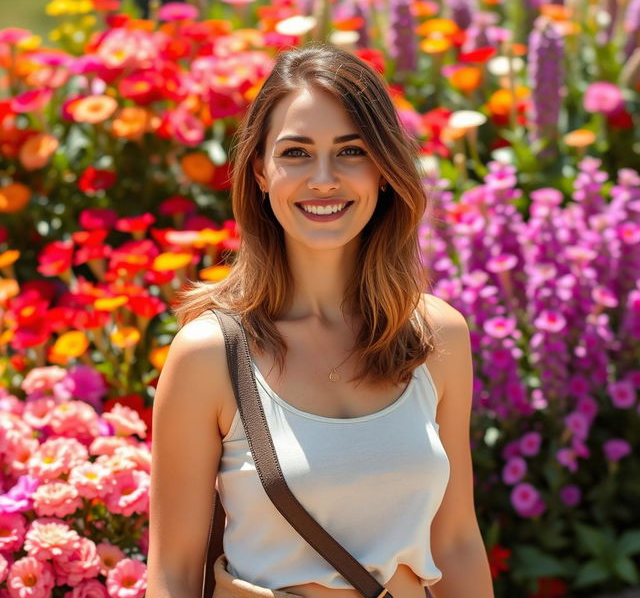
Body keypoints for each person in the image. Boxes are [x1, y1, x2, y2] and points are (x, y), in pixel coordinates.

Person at [146, 43, 494, 598]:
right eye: (297, 153)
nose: (325, 179)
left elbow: (455, 541)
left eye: (351, 151)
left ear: (384, 170)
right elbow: (172, 572)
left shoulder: (437, 338)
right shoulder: (210, 354)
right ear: (260, 171)